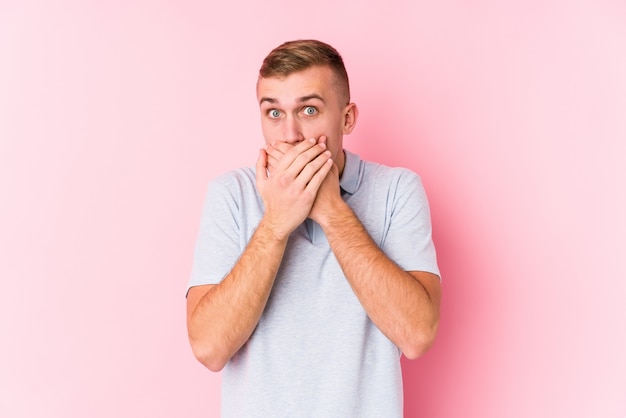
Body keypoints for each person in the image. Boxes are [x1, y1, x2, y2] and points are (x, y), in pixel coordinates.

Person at [186, 39, 441, 417]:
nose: (290, 135)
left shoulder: (396, 190)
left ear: (347, 118)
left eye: (308, 110)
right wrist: (275, 224)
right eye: (273, 113)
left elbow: (417, 335)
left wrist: (331, 210)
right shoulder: (231, 195)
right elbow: (209, 348)